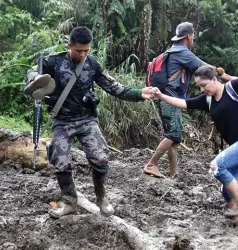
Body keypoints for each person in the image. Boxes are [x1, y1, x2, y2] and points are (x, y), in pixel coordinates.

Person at [25, 26, 159, 219]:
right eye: (79, 50)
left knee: (100, 158)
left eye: (86, 50)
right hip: (62, 120)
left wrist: (139, 93)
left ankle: (101, 198)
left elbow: (113, 87)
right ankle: (69, 202)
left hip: (86, 119)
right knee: (60, 161)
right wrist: (35, 77)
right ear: (70, 46)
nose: (83, 54)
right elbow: (31, 72)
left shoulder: (92, 64)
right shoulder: (54, 61)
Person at [151, 48, 238, 222]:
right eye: (199, 86)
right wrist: (161, 96)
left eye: (204, 85)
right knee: (225, 189)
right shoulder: (208, 99)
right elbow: (183, 103)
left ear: (214, 79)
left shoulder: (233, 88)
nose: (202, 89)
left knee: (217, 166)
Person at [143, 22, 234, 178]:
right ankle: (151, 164)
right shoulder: (182, 52)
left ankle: (173, 175)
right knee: (172, 134)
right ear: (189, 36)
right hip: (171, 97)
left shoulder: (173, 51)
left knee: (174, 139)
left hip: (168, 97)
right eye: (193, 36)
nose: (193, 39)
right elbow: (207, 69)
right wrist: (231, 79)